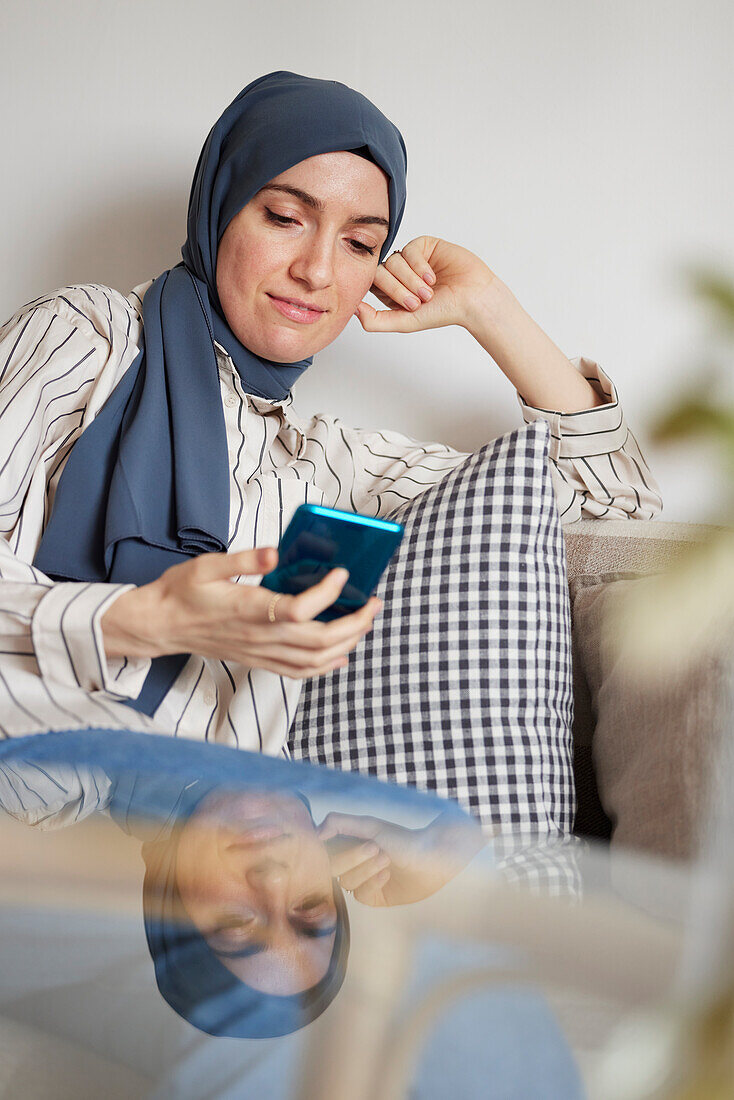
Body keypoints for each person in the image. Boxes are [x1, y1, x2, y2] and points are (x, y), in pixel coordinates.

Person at [0, 70, 662, 755]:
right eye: (286, 218)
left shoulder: (327, 465)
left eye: (359, 244)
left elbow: (610, 499)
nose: (317, 270)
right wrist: (140, 620)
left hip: (214, 839)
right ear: (220, 207)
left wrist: (489, 308)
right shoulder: (90, 337)